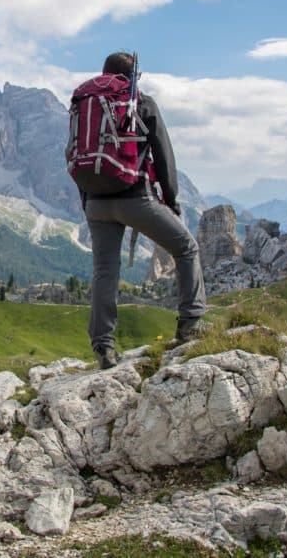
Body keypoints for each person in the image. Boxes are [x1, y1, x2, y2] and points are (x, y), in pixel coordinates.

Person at [80, 52, 207, 369]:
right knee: (186, 247)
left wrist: (88, 201)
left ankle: (103, 348)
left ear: (105, 73)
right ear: (133, 75)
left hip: (95, 202)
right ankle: (191, 323)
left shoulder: (85, 104)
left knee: (104, 273)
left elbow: (79, 153)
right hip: (136, 197)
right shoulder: (141, 102)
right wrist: (171, 197)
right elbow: (163, 154)